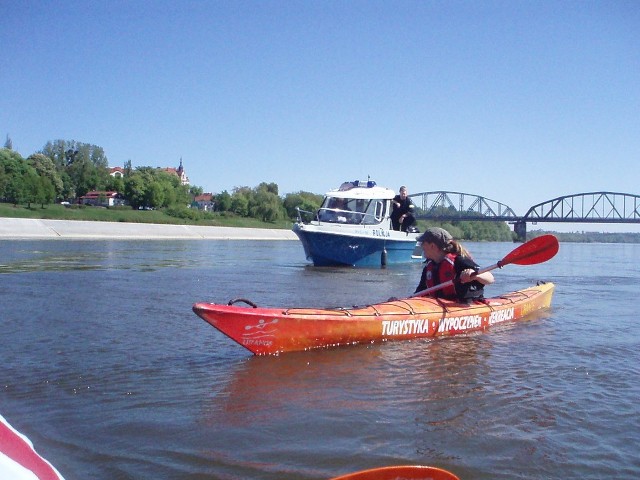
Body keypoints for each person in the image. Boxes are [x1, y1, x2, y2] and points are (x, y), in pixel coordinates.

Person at [414, 227, 494, 301]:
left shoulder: (458, 261)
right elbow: (419, 293)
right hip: (440, 307)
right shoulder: (429, 267)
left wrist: (475, 275)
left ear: (432, 246)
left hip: (465, 306)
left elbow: (490, 279)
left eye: (423, 242)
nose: (421, 245)